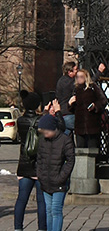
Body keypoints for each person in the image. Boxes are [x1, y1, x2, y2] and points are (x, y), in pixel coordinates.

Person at [14, 91, 47, 231]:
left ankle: (17, 228)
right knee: (41, 201)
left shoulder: (20, 121)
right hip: (39, 164)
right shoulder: (42, 120)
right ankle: (41, 228)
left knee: (21, 200)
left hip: (24, 163)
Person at [36, 114, 74, 231]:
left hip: (59, 182)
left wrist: (61, 177)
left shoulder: (65, 140)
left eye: (46, 131)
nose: (45, 134)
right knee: (48, 210)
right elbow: (39, 159)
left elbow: (70, 161)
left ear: (53, 128)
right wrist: (40, 175)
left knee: (56, 210)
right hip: (45, 181)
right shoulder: (43, 141)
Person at [68, 68, 106, 149]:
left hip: (92, 124)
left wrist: (95, 106)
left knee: (92, 147)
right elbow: (72, 109)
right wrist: (70, 103)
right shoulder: (76, 90)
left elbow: (103, 101)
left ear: (86, 77)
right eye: (77, 77)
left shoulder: (93, 87)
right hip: (80, 125)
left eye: (81, 77)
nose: (79, 79)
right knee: (80, 147)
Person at [54, 62, 77, 135]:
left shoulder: (61, 80)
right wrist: (98, 73)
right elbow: (85, 84)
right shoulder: (70, 82)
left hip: (63, 113)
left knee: (65, 135)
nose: (77, 71)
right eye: (75, 69)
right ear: (70, 72)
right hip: (69, 113)